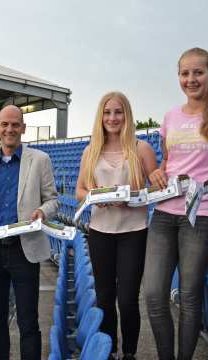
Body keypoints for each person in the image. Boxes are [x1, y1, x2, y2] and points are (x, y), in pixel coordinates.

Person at [144, 47, 208, 360]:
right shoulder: (170, 116)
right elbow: (168, 162)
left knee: (189, 294)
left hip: (204, 215)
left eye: (198, 72)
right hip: (165, 212)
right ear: (178, 77)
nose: (191, 79)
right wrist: (159, 172)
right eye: (185, 73)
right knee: (152, 293)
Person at [0, 104, 58, 359]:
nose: (10, 129)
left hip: (25, 249)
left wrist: (42, 212)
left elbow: (52, 200)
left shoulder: (40, 159)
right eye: (5, 124)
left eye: (15, 124)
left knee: (28, 320)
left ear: (23, 128)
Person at [75, 91, 158, 360]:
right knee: (105, 297)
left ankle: (130, 353)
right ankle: (108, 351)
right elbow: (79, 190)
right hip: (100, 232)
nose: (112, 118)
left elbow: (154, 191)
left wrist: (131, 199)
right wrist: (94, 197)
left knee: (128, 299)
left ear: (127, 115)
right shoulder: (91, 150)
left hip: (134, 232)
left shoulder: (141, 148)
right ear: (101, 116)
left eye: (118, 112)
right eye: (107, 112)